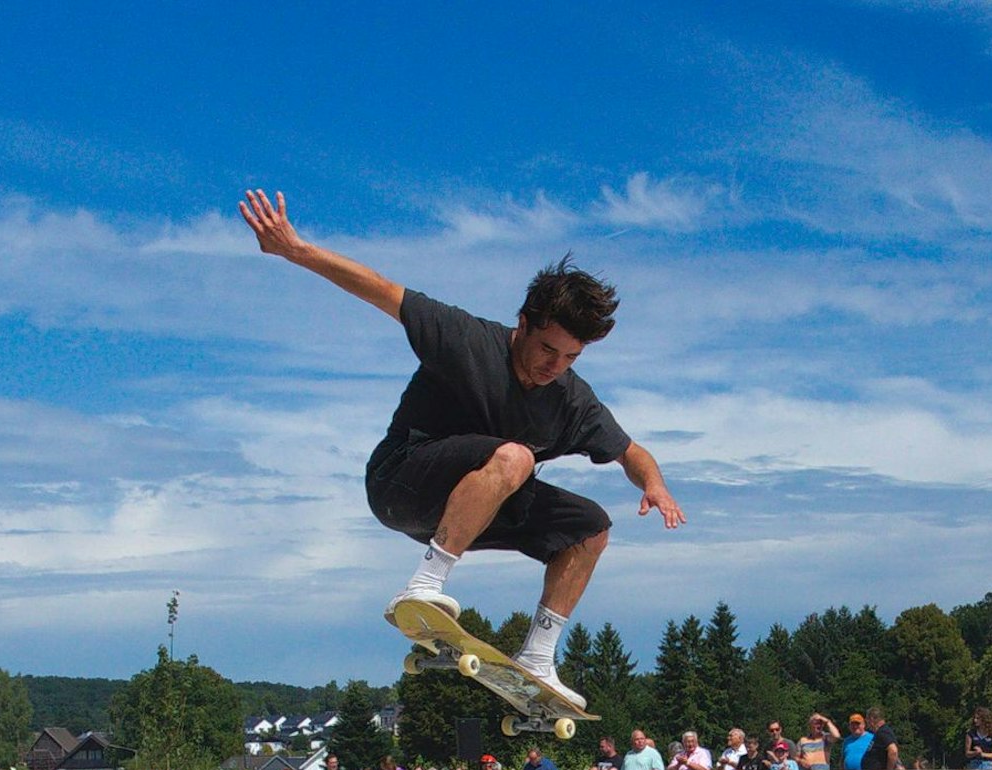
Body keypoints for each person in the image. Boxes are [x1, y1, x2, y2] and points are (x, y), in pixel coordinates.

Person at [238, 189, 685, 714]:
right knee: (515, 457)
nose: (554, 366)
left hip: (476, 508)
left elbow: (631, 451)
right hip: (400, 484)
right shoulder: (466, 339)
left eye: (570, 356)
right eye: (546, 348)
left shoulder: (571, 400)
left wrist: (654, 485)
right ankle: (424, 585)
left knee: (590, 527)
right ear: (523, 323)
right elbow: (382, 290)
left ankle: (539, 655)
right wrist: (296, 249)